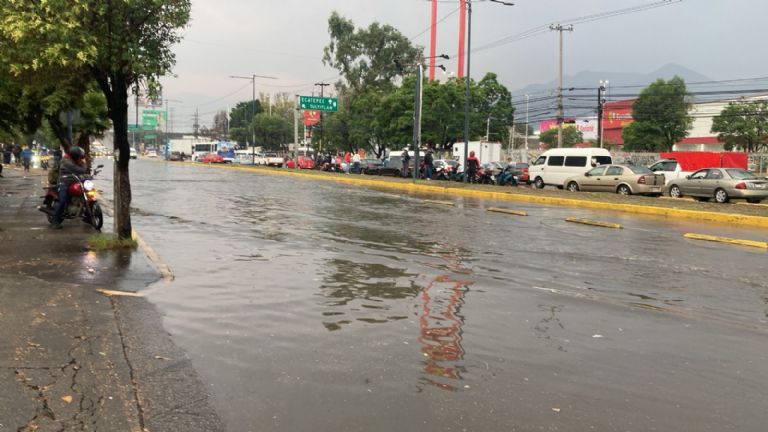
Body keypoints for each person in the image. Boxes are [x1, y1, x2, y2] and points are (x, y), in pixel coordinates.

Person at [50, 146, 88, 229]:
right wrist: (84, 164)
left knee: (85, 196)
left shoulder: (74, 160)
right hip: (64, 183)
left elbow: (81, 171)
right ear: (74, 156)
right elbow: (80, 170)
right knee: (63, 201)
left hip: (74, 182)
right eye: (79, 157)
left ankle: (88, 216)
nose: (81, 158)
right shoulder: (66, 162)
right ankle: (54, 221)